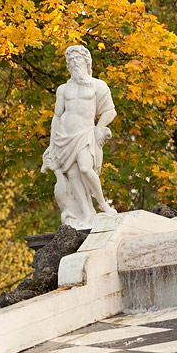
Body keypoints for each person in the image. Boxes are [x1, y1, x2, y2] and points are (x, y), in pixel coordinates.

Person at [41, 45, 118, 228]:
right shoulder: (63, 89)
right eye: (71, 60)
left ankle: (103, 205)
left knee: (85, 168)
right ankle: (86, 213)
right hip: (65, 137)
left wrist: (99, 128)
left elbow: (110, 111)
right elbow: (57, 116)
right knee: (74, 175)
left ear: (86, 62)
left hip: (85, 134)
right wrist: (51, 145)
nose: (74, 62)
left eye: (78, 59)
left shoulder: (98, 85)